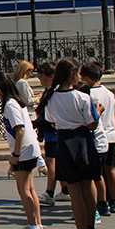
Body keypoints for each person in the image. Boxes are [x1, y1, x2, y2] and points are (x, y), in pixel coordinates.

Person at [43, 58, 101, 229]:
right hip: (83, 140)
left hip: (65, 141)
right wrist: (98, 112)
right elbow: (92, 123)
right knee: (86, 188)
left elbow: (51, 121)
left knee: (75, 190)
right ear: (71, 74)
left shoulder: (50, 97)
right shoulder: (82, 97)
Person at [0, 72, 45, 229]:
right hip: (30, 149)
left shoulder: (10, 105)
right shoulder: (15, 102)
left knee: (24, 190)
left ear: (0, 88)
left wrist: (15, 155)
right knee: (30, 190)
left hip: (24, 151)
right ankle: (37, 224)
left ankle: (33, 225)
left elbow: (19, 129)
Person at [79, 62, 115, 216]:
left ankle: (101, 202)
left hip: (98, 137)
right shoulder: (109, 93)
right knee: (111, 169)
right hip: (111, 135)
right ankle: (114, 200)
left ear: (88, 78)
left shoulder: (90, 94)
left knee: (98, 173)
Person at [35, 61, 68, 205]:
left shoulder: (55, 93)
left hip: (54, 133)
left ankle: (50, 192)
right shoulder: (49, 91)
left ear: (51, 76)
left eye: (41, 76)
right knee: (58, 163)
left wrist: (35, 125)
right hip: (49, 133)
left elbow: (48, 116)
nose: (39, 79)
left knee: (52, 162)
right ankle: (65, 190)